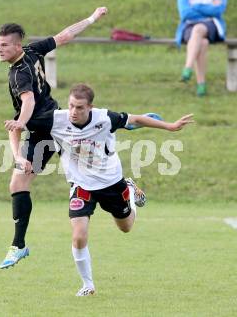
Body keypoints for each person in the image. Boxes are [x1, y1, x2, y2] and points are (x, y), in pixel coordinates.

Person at [49, 83, 194, 296]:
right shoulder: (56, 119)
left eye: (80, 107)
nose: (74, 111)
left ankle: (129, 189)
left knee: (126, 227)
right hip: (81, 186)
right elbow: (21, 125)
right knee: (79, 236)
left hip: (111, 183)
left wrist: (169, 126)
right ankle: (88, 285)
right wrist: (18, 155)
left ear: (90, 107)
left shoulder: (105, 118)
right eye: (71, 106)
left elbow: (135, 120)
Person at [0, 7, 109, 269]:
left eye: (4, 45)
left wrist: (20, 122)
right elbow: (65, 35)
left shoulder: (18, 73)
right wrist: (91, 19)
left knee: (89, 174)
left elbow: (28, 100)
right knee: (18, 183)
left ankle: (124, 185)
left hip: (56, 125)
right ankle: (19, 246)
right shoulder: (33, 51)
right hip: (41, 129)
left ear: (17, 45)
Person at [175, 0, 227, 97]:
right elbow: (184, 13)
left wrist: (195, 6)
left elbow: (218, 10)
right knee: (202, 43)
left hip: (211, 24)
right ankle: (201, 85)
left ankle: (188, 67)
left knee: (198, 29)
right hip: (189, 25)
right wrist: (208, 7)